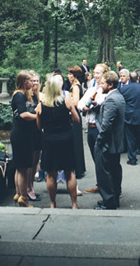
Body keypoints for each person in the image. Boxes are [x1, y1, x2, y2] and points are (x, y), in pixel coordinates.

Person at [35, 73, 80, 209]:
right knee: (69, 172)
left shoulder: (41, 105)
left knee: (51, 173)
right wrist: (69, 118)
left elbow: (39, 126)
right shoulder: (66, 101)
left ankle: (53, 203)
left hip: (49, 139)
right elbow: (77, 120)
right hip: (65, 138)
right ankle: (73, 204)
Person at [93, 70, 125, 210]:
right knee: (114, 170)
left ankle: (109, 201)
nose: (101, 86)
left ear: (110, 85)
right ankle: (113, 198)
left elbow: (106, 125)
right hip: (115, 143)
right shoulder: (118, 96)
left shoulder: (112, 99)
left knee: (104, 172)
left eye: (103, 83)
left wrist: (99, 141)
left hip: (107, 143)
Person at [77, 63, 108, 193]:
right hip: (89, 128)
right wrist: (84, 107)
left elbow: (99, 103)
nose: (95, 75)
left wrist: (89, 106)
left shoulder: (105, 91)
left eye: (98, 73)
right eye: (94, 73)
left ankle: (108, 187)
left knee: (104, 159)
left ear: (105, 74)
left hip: (98, 128)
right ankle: (99, 184)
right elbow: (79, 103)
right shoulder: (91, 89)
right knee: (96, 158)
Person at [10, 70, 38, 207]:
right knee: (23, 168)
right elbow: (23, 114)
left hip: (24, 133)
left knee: (20, 166)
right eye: (30, 81)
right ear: (24, 82)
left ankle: (18, 194)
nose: (33, 84)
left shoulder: (22, 95)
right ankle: (23, 198)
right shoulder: (19, 96)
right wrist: (39, 117)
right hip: (21, 134)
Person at [119, 71, 140, 165]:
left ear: (129, 78)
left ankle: (132, 158)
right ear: (138, 78)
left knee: (130, 138)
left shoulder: (124, 89)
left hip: (129, 116)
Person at [66, 65, 87, 183]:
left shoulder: (76, 87)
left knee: (76, 142)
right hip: (73, 115)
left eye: (70, 75)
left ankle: (78, 169)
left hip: (74, 115)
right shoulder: (73, 86)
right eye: (68, 74)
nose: (69, 77)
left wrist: (66, 101)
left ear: (75, 76)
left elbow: (76, 102)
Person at [26, 71, 43, 201]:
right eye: (33, 81)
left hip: (38, 130)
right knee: (30, 161)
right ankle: (27, 189)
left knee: (36, 160)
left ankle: (31, 186)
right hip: (29, 131)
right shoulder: (26, 96)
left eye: (37, 81)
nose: (35, 83)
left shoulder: (38, 96)